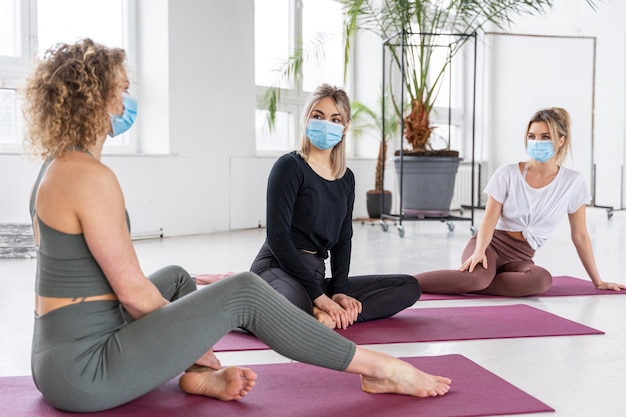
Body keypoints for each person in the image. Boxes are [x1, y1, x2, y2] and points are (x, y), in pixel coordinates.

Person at [23, 39, 450, 413]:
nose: (129, 99)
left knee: (174, 278)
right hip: (83, 371)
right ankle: (379, 368)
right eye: (123, 89)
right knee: (243, 289)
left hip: (59, 357)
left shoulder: (60, 167)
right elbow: (132, 294)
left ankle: (197, 376)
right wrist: (199, 341)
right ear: (97, 96)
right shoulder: (89, 176)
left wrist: (192, 342)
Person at [250, 84, 421, 330]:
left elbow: (343, 238)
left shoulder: (346, 178)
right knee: (287, 303)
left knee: (407, 286)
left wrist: (339, 291)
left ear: (345, 128)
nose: (325, 124)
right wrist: (319, 296)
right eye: (318, 116)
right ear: (307, 119)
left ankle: (326, 316)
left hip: (315, 277)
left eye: (335, 119)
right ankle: (313, 310)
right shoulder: (289, 167)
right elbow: (277, 238)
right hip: (278, 269)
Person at [415, 107, 626, 296]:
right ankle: (406, 282)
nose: (537, 142)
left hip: (521, 257)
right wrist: (479, 251)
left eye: (545, 137)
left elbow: (580, 235)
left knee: (542, 280)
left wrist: (597, 281)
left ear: (560, 140)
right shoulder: (507, 173)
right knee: (476, 277)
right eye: (532, 136)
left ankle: (477, 282)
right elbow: (489, 219)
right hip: (491, 245)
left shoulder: (573, 182)